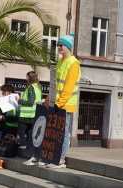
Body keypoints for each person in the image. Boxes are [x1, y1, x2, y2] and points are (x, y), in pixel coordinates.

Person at [44, 33, 81, 168]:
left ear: (68, 47)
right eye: (58, 45)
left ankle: (61, 159)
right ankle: (54, 157)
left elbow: (68, 87)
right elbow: (54, 84)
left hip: (65, 105)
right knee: (55, 131)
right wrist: (48, 99)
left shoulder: (74, 63)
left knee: (63, 132)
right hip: (57, 104)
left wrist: (58, 104)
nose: (58, 47)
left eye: (61, 45)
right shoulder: (60, 62)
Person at [16, 71, 42, 165]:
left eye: (27, 77)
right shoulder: (38, 87)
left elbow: (30, 102)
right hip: (33, 114)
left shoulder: (31, 87)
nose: (26, 79)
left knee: (20, 131)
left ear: (30, 78)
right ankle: (30, 152)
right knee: (30, 133)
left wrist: (20, 100)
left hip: (26, 115)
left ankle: (26, 149)